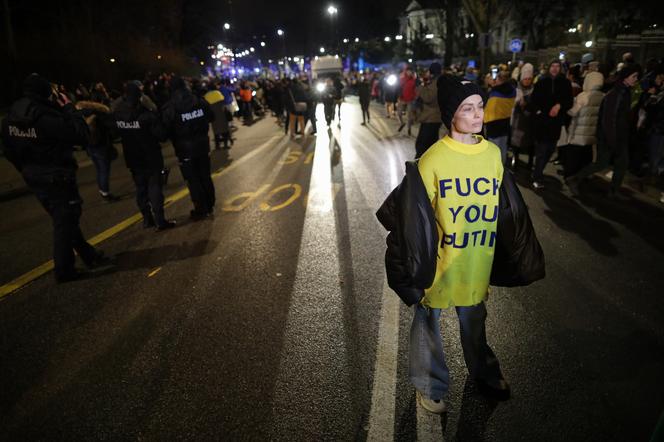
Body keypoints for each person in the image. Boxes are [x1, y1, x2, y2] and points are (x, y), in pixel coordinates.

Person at [380, 75, 510, 415]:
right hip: (438, 266)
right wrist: (411, 269)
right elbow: (412, 221)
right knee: (428, 329)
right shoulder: (432, 160)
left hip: (475, 262)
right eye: (468, 108)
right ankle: (431, 386)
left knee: (475, 324)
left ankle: (484, 373)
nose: (478, 114)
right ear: (451, 113)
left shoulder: (493, 155)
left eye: (480, 106)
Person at [1, 74, 110, 282]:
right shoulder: (44, 116)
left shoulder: (13, 115)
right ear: (44, 92)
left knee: (63, 218)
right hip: (56, 175)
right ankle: (64, 269)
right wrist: (70, 108)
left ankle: (88, 255)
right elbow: (81, 136)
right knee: (65, 219)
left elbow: (8, 150)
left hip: (34, 176)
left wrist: (25, 169)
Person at [567, 64, 642, 199]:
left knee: (622, 163)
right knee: (602, 163)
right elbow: (609, 119)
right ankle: (575, 178)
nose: (636, 79)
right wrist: (612, 139)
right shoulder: (615, 94)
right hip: (609, 136)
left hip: (620, 135)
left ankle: (614, 190)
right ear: (626, 77)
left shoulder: (625, 92)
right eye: (634, 76)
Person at [113, 81, 176, 230]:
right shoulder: (146, 114)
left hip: (133, 158)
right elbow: (162, 135)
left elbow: (115, 133)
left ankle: (147, 219)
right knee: (154, 189)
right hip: (150, 157)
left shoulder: (118, 114)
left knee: (140, 189)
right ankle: (160, 220)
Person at [162, 76, 216, 220]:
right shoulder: (199, 101)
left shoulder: (170, 107)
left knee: (193, 179)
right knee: (205, 176)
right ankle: (209, 205)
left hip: (184, 150)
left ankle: (201, 208)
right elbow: (211, 117)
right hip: (202, 146)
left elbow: (164, 133)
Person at [530, 59, 573, 189]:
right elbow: (534, 99)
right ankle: (537, 176)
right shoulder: (542, 81)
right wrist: (539, 111)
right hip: (543, 122)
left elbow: (569, 101)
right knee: (542, 150)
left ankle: (538, 171)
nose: (554, 68)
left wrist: (559, 106)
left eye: (557, 66)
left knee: (550, 150)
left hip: (556, 123)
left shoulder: (565, 83)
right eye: (552, 66)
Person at [560, 72, 605, 178]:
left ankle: (570, 177)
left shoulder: (583, 96)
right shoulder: (603, 96)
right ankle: (581, 177)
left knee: (573, 158)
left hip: (578, 133)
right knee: (585, 158)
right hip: (591, 134)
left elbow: (572, 112)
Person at [75, 97, 119, 201]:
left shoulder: (81, 117)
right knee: (104, 170)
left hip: (91, 147)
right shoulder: (97, 116)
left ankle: (102, 190)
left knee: (100, 169)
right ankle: (105, 192)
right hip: (99, 146)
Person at [484, 70, 516, 164]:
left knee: (493, 148)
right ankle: (502, 169)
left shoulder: (494, 93)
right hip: (505, 123)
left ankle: (494, 170)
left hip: (493, 124)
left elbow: (488, 109)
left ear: (498, 79)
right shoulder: (512, 90)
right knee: (502, 147)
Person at [414, 62, 443, 158]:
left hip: (431, 118)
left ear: (432, 72)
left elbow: (428, 98)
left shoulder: (436, 83)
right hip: (432, 118)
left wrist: (420, 86)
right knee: (428, 145)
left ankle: (419, 167)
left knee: (422, 145)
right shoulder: (436, 81)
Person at [511, 63, 535, 169]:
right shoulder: (517, 90)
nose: (527, 81)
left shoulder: (534, 90)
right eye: (525, 78)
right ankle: (515, 158)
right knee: (516, 142)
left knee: (530, 142)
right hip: (518, 120)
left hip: (530, 120)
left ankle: (530, 162)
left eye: (529, 79)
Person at [204, 83, 231, 149]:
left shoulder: (206, 95)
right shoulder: (218, 93)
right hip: (221, 113)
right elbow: (223, 102)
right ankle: (225, 144)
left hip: (213, 114)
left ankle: (217, 145)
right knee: (224, 128)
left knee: (216, 130)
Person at [397, 68, 417, 135]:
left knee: (409, 115)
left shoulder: (414, 80)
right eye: (408, 71)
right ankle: (402, 123)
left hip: (410, 100)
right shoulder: (402, 79)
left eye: (410, 72)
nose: (409, 73)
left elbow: (416, 90)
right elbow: (398, 87)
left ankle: (409, 129)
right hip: (402, 99)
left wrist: (414, 97)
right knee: (399, 113)